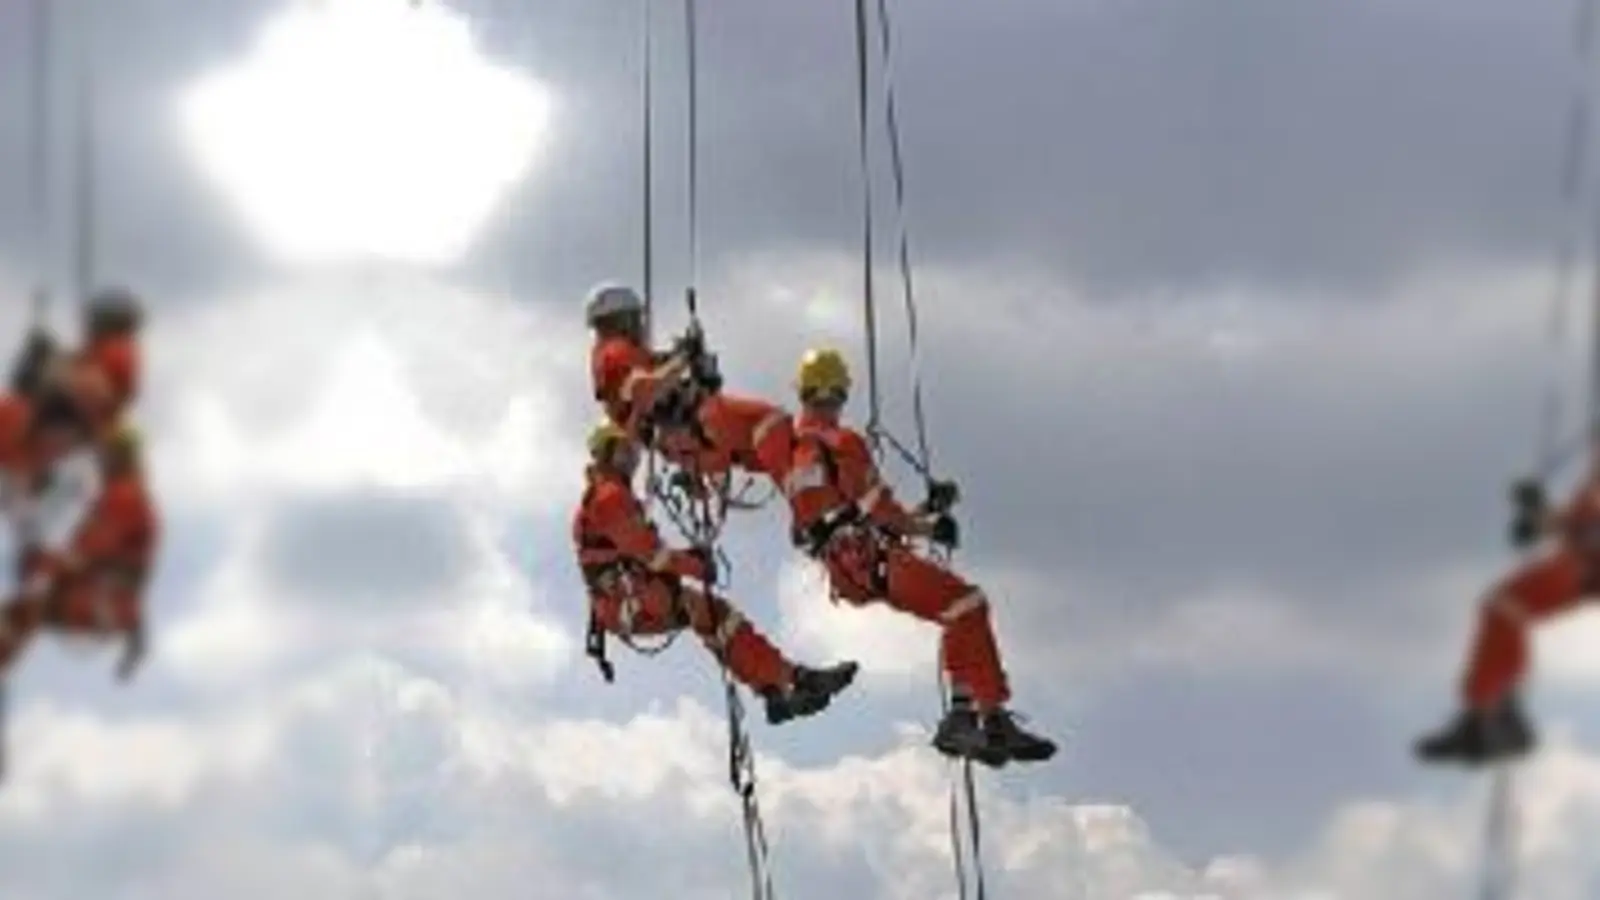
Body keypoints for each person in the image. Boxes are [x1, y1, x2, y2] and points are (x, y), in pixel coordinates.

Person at [783, 348, 1055, 767]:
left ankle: (987, 715)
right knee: (968, 604)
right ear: (839, 390)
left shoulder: (793, 454)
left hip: (849, 570)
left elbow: (846, 519)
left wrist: (926, 509)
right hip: (874, 559)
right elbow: (880, 512)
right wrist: (933, 528)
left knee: (958, 610)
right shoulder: (843, 444)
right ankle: (974, 715)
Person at [575, 419, 857, 723]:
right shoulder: (609, 498)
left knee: (717, 616)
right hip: (626, 600)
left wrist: (688, 558)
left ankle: (775, 691)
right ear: (607, 452)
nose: (635, 457)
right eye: (626, 450)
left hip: (630, 598)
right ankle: (790, 680)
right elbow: (653, 557)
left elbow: (639, 555)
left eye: (635, 450)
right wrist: (696, 566)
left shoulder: (611, 497)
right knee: (709, 611)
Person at [1413, 459, 1600, 765]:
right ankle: (1484, 715)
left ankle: (1498, 711)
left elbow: (1585, 531)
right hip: (1580, 568)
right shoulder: (1590, 489)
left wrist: (1549, 521)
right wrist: (1541, 518)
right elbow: (1574, 524)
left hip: (1585, 572)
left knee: (1506, 605)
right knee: (1499, 608)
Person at [0, 421, 157, 681]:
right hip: (108, 600)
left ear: (118, 456)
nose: (101, 460)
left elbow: (83, 558)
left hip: (106, 599)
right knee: (26, 608)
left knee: (27, 609)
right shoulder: (123, 497)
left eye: (106, 454)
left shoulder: (125, 498)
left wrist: (42, 560)